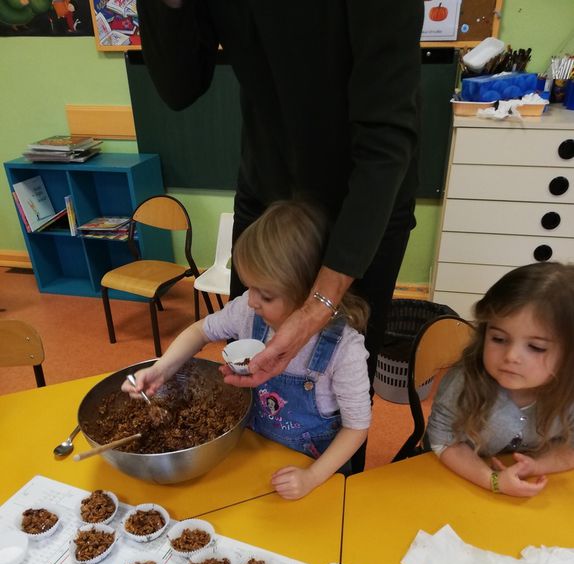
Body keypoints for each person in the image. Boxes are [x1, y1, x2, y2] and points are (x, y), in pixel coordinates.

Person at [137, 0, 424, 401]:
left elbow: (386, 142)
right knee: (249, 373)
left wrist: (317, 307)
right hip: (269, 196)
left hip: (361, 207)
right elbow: (179, 86)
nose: (253, 303)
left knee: (336, 388)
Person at [124, 201, 372, 500]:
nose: (251, 300)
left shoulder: (344, 350)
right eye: (248, 286)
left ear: (307, 294)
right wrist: (162, 369)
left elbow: (357, 428)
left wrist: (312, 477)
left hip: (314, 471)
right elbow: (199, 331)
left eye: (265, 294)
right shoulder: (247, 311)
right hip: (252, 455)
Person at [426, 262, 574, 498]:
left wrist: (538, 466)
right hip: (461, 478)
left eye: (536, 347)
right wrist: (493, 480)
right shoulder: (465, 380)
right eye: (498, 339)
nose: (511, 357)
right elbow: (443, 441)